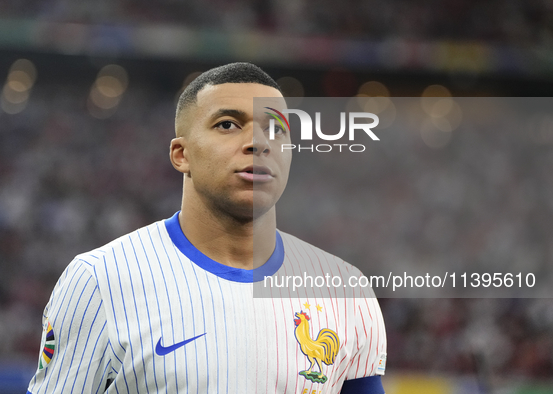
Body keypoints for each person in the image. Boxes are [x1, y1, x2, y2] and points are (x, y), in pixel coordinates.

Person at [26, 62, 387, 394]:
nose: (258, 143)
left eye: (275, 128)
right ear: (181, 154)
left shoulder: (346, 289)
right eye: (227, 124)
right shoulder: (100, 280)